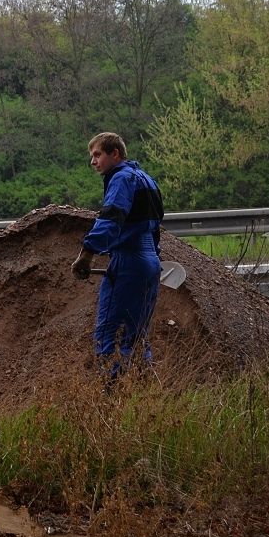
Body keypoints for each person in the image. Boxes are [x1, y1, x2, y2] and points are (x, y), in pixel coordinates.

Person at [71, 132, 164, 383]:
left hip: (129, 261)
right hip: (150, 263)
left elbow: (111, 219)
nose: (93, 162)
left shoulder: (121, 179)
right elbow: (155, 227)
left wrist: (87, 253)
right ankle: (142, 391)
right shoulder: (146, 179)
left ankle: (111, 395)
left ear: (115, 154)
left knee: (109, 332)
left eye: (97, 154)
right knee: (136, 334)